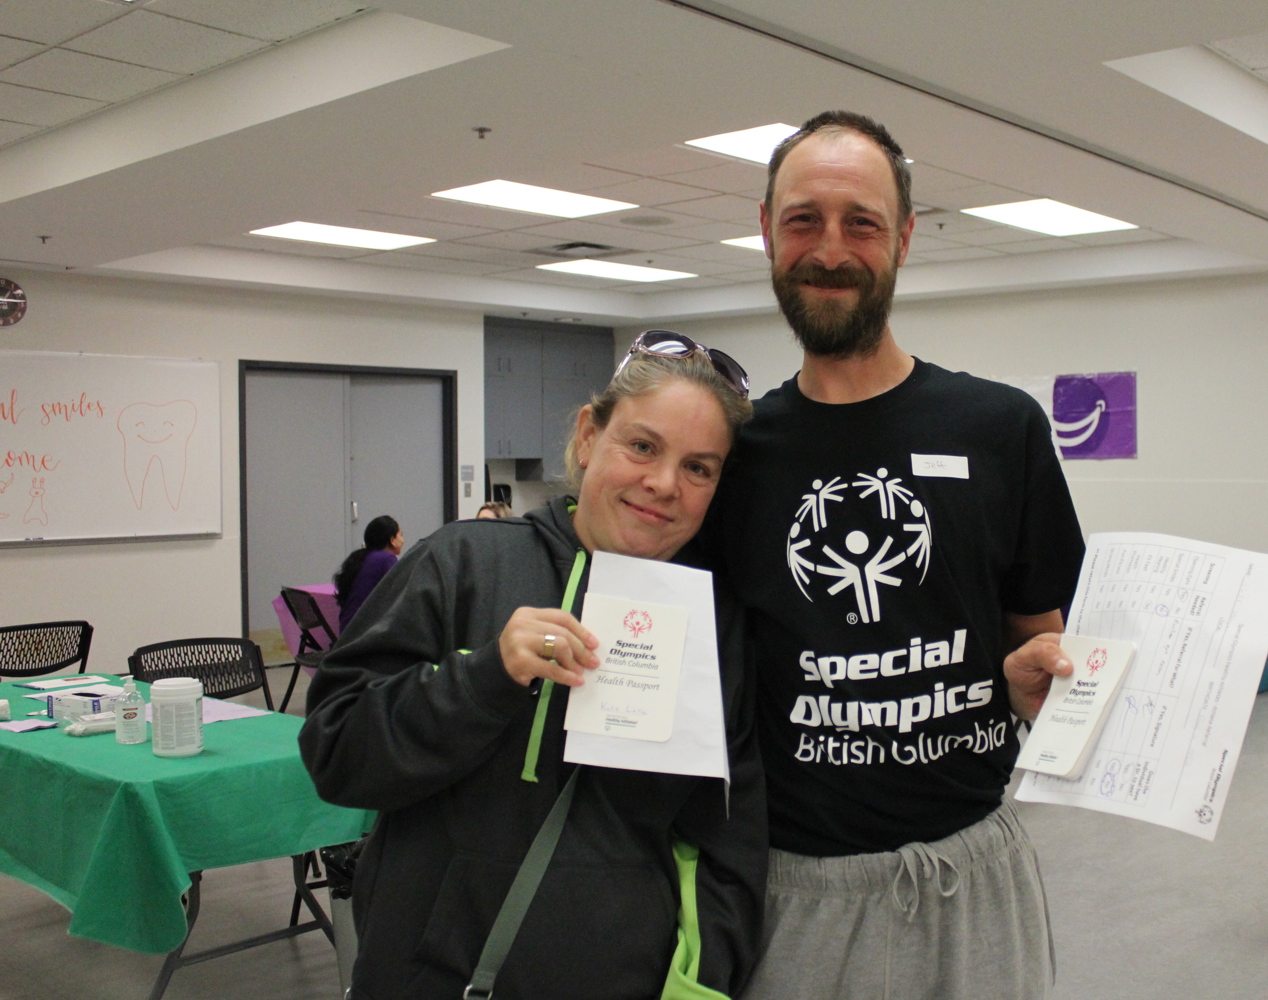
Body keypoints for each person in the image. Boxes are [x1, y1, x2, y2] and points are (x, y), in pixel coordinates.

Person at [707, 110, 1087, 1000]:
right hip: (797, 896)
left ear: (905, 239)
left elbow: (1042, 644)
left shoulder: (1000, 430)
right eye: (804, 219)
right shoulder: (736, 456)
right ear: (766, 230)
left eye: (861, 223)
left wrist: (1044, 686)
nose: (830, 249)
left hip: (974, 881)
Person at [298, 336, 765, 1000]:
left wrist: (707, 978)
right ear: (586, 436)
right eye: (642, 446)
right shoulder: (463, 564)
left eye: (699, 468)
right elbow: (337, 749)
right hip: (434, 978)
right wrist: (482, 678)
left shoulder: (711, 624)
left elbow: (732, 838)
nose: (664, 483)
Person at [334, 515, 403, 630]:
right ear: (392, 539)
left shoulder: (360, 557)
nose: (403, 540)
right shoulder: (386, 559)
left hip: (347, 630)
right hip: (365, 634)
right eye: (400, 535)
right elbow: (400, 593)